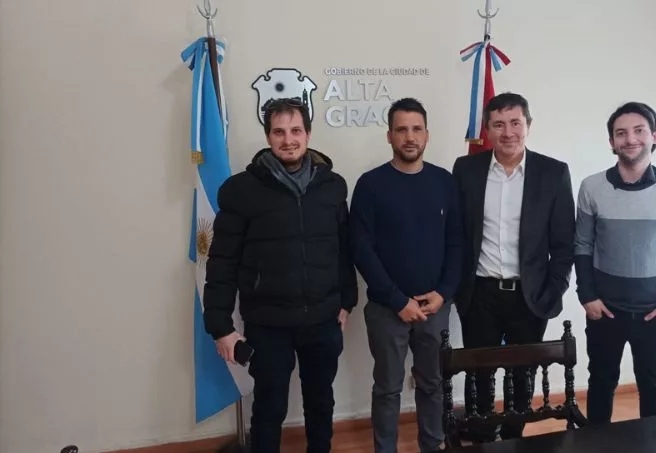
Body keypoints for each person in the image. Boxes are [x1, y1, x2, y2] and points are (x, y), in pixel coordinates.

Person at [202, 98, 358, 453]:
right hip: (268, 323)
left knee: (321, 402)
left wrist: (346, 301)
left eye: (296, 131)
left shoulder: (333, 186)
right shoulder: (240, 191)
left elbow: (342, 249)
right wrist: (221, 327)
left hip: (322, 319)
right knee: (269, 408)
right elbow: (221, 263)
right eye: (279, 132)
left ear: (308, 134)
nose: (288, 140)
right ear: (268, 137)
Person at [452, 92, 576, 441]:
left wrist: (554, 288)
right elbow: (457, 233)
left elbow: (564, 243)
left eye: (515, 123)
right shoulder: (466, 169)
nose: (508, 132)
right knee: (479, 374)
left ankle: (512, 439)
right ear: (488, 130)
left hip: (529, 294)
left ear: (528, 125)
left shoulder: (553, 173)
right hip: (480, 292)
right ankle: (480, 439)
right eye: (499, 125)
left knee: (523, 374)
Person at [349, 97, 462, 453]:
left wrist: (443, 293)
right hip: (387, 309)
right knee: (387, 388)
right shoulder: (370, 185)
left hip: (435, 307)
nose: (409, 137)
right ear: (389, 136)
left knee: (433, 384)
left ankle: (432, 445)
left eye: (416, 129)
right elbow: (361, 250)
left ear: (427, 134)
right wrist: (398, 300)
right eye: (401, 130)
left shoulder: (445, 182)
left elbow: (457, 243)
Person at [574, 101, 656, 424]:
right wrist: (587, 295)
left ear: (655, 136)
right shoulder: (591, 187)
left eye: (639, 131)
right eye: (621, 133)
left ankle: (653, 446)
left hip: (655, 314)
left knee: (653, 389)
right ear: (611, 141)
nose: (630, 139)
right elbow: (582, 245)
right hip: (605, 311)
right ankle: (597, 445)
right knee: (601, 385)